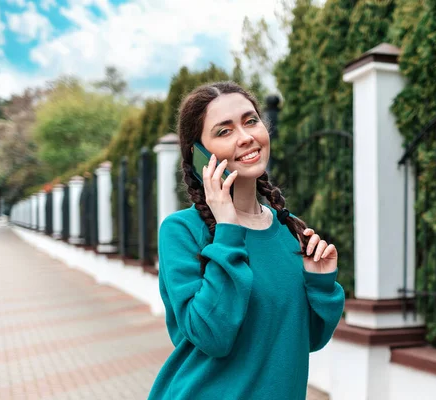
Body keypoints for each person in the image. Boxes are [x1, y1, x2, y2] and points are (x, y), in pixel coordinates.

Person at [148, 82, 345, 400]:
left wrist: (320, 285)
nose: (245, 137)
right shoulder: (181, 231)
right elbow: (212, 336)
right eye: (224, 132)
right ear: (200, 156)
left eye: (250, 120)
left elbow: (305, 340)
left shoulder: (286, 229)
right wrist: (227, 228)